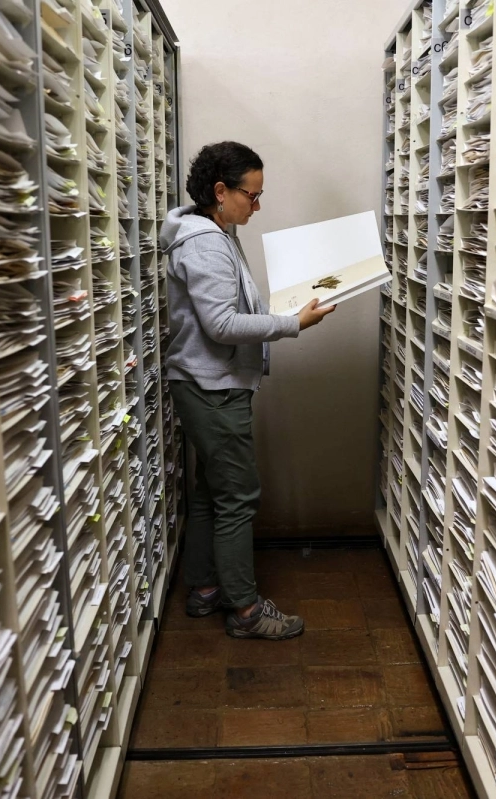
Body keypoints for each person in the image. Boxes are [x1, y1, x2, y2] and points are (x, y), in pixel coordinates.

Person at [159, 141, 335, 640]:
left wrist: (288, 307)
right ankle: (245, 611)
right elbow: (221, 324)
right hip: (212, 388)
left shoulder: (215, 232)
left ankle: (205, 588)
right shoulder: (206, 243)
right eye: (251, 195)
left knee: (213, 491)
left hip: (207, 382)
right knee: (238, 496)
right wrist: (292, 324)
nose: (257, 205)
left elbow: (229, 309)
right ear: (221, 191)